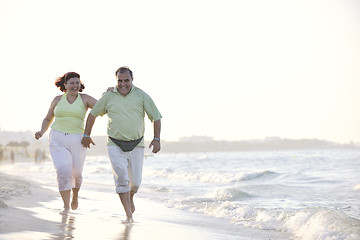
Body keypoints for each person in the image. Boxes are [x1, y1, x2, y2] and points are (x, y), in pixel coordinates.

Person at [81, 66, 162, 224]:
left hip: (136, 144)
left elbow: (156, 117)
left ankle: (131, 197)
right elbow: (93, 114)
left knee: (136, 184)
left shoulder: (142, 96)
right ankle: (128, 216)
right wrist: (86, 134)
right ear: (116, 80)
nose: (123, 84)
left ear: (132, 80)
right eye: (120, 80)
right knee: (122, 180)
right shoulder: (109, 96)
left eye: (126, 80)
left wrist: (156, 138)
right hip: (114, 143)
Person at [35, 72, 97, 215]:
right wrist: (41, 131)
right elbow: (48, 118)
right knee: (63, 172)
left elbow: (102, 107)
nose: (75, 85)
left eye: (77, 83)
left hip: (78, 139)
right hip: (57, 138)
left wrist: (110, 93)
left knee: (77, 174)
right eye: (72, 83)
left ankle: (75, 197)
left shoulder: (85, 98)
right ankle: (66, 206)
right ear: (65, 85)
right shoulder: (57, 100)